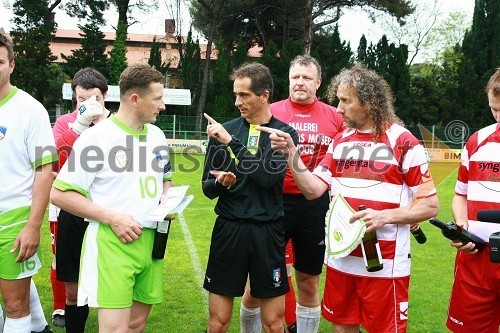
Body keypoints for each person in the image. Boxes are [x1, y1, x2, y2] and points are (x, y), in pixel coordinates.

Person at [258, 63, 439, 333]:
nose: (339, 108)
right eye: (338, 100)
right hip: (341, 258)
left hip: (385, 265)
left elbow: (430, 204)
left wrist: (384, 216)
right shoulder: (340, 141)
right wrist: (291, 154)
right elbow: (313, 189)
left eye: (346, 101)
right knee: (341, 327)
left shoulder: (403, 141)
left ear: (368, 103)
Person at [50, 63, 173, 333]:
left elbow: (166, 180)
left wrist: (168, 200)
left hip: (152, 243)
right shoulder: (97, 138)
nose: (162, 105)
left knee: (136, 325)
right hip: (112, 244)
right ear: (134, 99)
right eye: (157, 99)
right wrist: (113, 218)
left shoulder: (157, 135)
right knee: (115, 330)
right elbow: (59, 193)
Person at [241, 54, 344, 333]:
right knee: (258, 283)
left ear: (318, 82)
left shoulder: (336, 117)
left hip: (315, 206)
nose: (300, 82)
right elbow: (249, 155)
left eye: (307, 77)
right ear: (288, 81)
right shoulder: (269, 111)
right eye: (295, 77)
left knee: (308, 282)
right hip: (273, 203)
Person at [202, 62, 299, 333]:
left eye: (244, 95)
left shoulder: (284, 134)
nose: (237, 102)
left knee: (273, 322)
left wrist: (231, 142)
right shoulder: (225, 130)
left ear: (264, 95)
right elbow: (206, 188)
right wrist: (221, 184)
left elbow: (267, 178)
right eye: (236, 94)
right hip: (229, 230)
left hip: (267, 233)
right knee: (218, 321)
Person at [0, 33, 57, 333]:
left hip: (13, 221)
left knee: (14, 306)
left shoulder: (29, 109)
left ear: (11, 64)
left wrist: (33, 226)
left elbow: (45, 170)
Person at [51, 67, 110, 333]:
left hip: (107, 211)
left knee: (110, 285)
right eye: (80, 100)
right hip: (74, 211)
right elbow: (57, 160)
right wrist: (79, 125)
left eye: (93, 99)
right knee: (73, 289)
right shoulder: (66, 122)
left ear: (105, 95)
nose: (86, 105)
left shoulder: (117, 123)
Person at [446, 68, 500, 333]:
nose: (499, 117)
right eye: (495, 109)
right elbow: (460, 195)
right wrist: (461, 227)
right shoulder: (477, 140)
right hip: (476, 257)